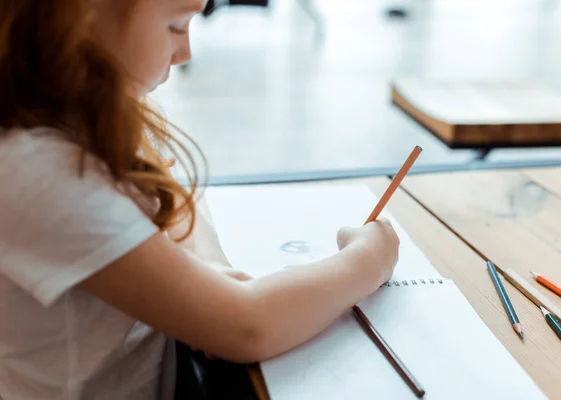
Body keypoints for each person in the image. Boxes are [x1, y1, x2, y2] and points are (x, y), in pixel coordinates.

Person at [0, 0, 400, 399]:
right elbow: (248, 326)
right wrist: (369, 259)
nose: (185, 52)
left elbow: (172, 194)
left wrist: (209, 268)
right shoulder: (39, 172)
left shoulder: (91, 108)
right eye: (175, 26)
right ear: (81, 17)